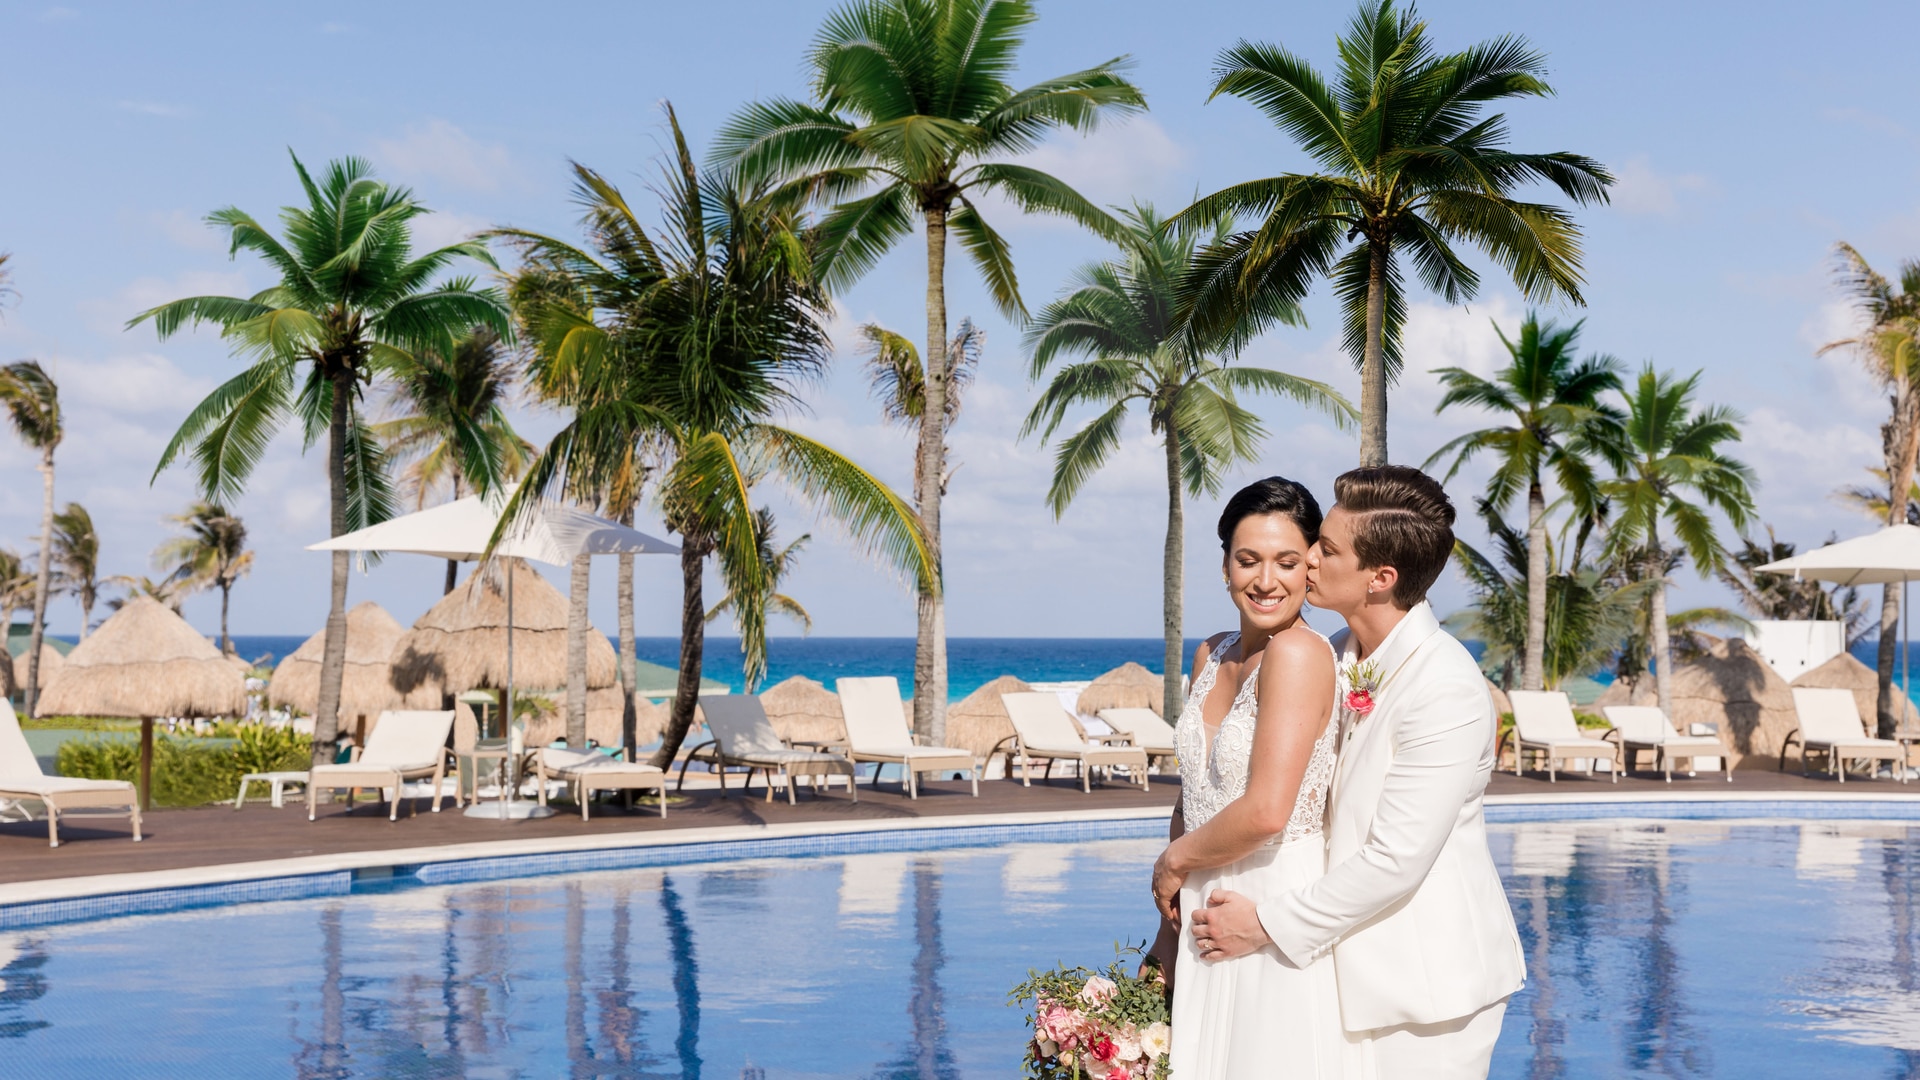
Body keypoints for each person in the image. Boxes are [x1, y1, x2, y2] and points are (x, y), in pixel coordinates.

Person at [1187, 466, 1526, 1079]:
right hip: (1337, 972)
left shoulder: (1446, 685)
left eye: (1327, 548)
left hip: (1425, 993)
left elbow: (1395, 859)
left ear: (1380, 578)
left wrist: (1262, 923)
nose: (1308, 559)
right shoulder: (1336, 651)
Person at [1146, 476, 1357, 1079]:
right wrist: (1165, 936)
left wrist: (1171, 866)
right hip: (1200, 911)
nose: (1266, 581)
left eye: (1287, 562)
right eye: (1249, 560)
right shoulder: (1209, 655)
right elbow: (1193, 798)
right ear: (1225, 566)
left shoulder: (1299, 653)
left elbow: (1268, 811)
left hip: (1267, 903)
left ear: (1311, 566)